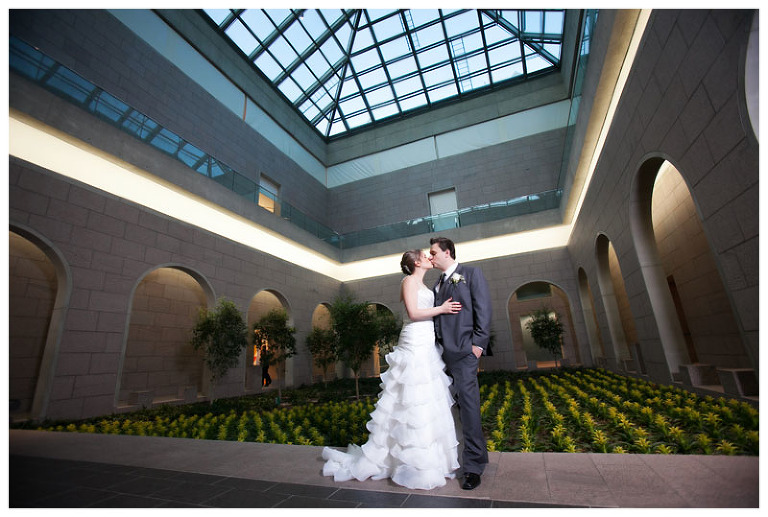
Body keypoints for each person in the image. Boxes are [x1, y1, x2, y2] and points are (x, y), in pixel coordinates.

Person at [322, 249, 462, 490]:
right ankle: (406, 460)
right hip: (413, 340)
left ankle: (429, 458)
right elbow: (413, 313)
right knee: (410, 395)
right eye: (424, 256)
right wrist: (441, 309)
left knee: (426, 395)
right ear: (415, 262)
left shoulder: (425, 285)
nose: (429, 257)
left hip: (426, 342)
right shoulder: (408, 281)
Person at [429, 236, 491, 490]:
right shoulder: (436, 283)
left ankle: (473, 467)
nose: (430, 257)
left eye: (433, 253)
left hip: (465, 352)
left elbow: (483, 309)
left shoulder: (471, 274)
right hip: (440, 355)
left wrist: (477, 346)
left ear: (447, 252)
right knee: (446, 409)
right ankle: (461, 458)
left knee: (469, 408)